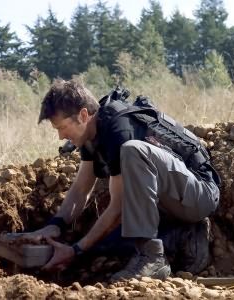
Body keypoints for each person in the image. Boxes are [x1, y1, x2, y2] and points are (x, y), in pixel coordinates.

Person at [28, 79, 220, 281]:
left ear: (83, 115)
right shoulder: (91, 134)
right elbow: (80, 190)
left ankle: (152, 258)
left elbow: (118, 207)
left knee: (133, 151)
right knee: (107, 244)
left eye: (63, 127)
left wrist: (76, 250)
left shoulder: (119, 129)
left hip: (201, 195)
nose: (60, 137)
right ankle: (185, 237)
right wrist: (55, 225)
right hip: (174, 200)